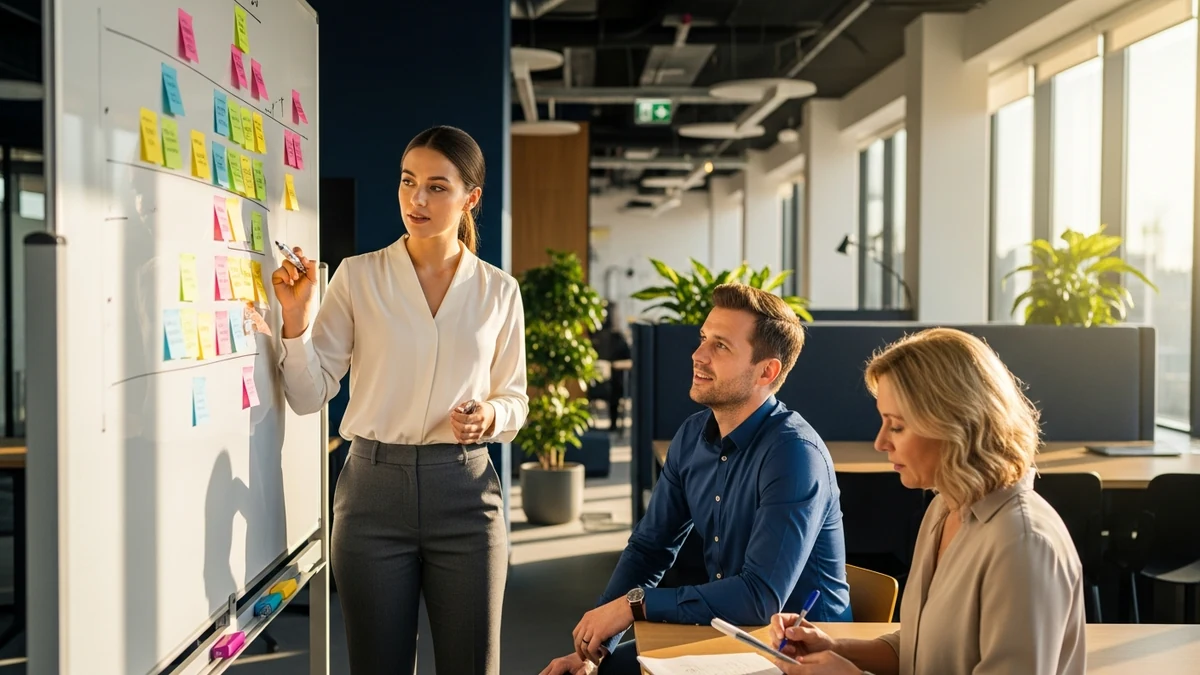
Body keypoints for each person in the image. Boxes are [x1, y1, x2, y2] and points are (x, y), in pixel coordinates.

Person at [272, 125, 528, 675]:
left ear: (470, 199)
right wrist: (296, 320)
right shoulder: (358, 277)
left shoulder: (499, 290)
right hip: (371, 494)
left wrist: (490, 415)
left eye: (438, 187)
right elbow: (307, 394)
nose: (417, 199)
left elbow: (515, 400)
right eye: (409, 182)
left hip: (465, 492)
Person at [540, 283, 852, 675]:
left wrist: (636, 604)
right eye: (703, 338)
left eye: (720, 346)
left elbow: (759, 597)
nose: (698, 355)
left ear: (766, 371)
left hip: (801, 655)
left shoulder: (793, 454)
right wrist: (593, 653)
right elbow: (650, 548)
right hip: (734, 635)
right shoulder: (692, 436)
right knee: (606, 672)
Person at [767, 328, 1085, 675]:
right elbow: (921, 650)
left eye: (898, 426)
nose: (880, 442)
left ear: (954, 424)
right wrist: (836, 649)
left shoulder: (1022, 544)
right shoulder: (944, 508)